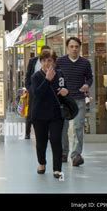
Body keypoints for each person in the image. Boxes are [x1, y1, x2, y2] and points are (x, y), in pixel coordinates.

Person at [30, 50, 68, 179]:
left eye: (50, 60)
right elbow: (38, 94)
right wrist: (47, 80)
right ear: (40, 62)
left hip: (56, 114)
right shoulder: (36, 77)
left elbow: (64, 92)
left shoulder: (60, 75)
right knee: (41, 142)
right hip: (39, 115)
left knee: (56, 140)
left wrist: (66, 91)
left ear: (54, 62)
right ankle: (42, 163)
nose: (47, 63)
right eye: (44, 60)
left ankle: (57, 169)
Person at [57, 37, 93, 167]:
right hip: (64, 101)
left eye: (76, 46)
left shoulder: (85, 63)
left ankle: (76, 155)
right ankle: (63, 152)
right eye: (71, 46)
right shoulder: (60, 61)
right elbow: (56, 77)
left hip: (79, 99)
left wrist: (87, 85)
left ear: (80, 48)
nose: (74, 49)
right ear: (67, 48)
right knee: (63, 128)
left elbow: (89, 78)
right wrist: (59, 89)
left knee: (78, 127)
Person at [24, 45, 52, 139]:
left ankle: (47, 132)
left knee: (47, 110)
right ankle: (27, 132)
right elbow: (28, 76)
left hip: (48, 90)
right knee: (31, 110)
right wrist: (29, 88)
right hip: (35, 89)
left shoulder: (52, 62)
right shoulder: (33, 61)